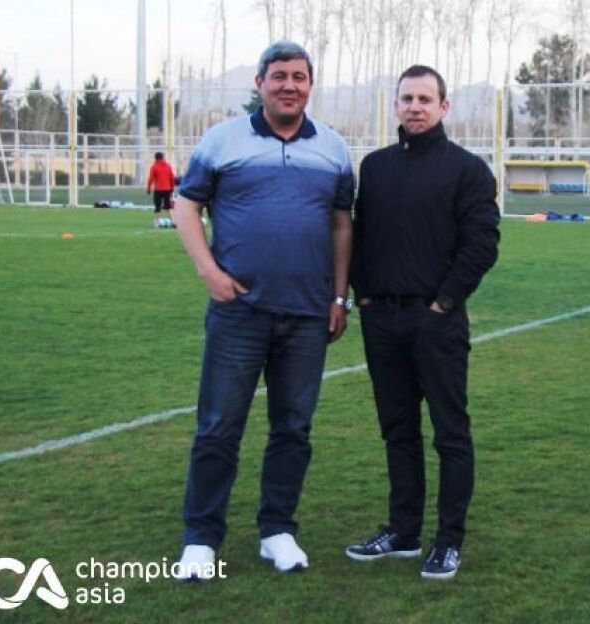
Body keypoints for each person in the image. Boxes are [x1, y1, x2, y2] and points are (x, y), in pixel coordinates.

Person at [171, 40, 355, 580]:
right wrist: (209, 272)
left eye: (299, 77)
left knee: (293, 428)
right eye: (279, 76)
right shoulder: (222, 139)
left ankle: (278, 530)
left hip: (307, 315)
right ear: (260, 84)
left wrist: (338, 296)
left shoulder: (334, 148)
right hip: (240, 313)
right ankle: (201, 538)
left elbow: (341, 224)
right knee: (218, 427)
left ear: (310, 85)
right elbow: (186, 204)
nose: (289, 86)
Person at [345, 65, 500, 580]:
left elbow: (482, 244)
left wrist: (444, 303)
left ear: (443, 107)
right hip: (381, 320)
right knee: (398, 431)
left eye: (425, 99)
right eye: (407, 98)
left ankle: (448, 540)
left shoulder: (467, 170)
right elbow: (361, 235)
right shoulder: (376, 167)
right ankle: (403, 532)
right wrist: (364, 294)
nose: (415, 107)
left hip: (436, 323)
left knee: (450, 433)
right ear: (395, 105)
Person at [146, 152, 177, 228]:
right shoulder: (168, 166)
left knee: (158, 206)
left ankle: (157, 223)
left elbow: (151, 178)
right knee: (168, 206)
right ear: (163, 157)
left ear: (155, 158)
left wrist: (149, 188)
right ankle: (173, 221)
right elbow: (172, 177)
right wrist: (172, 188)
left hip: (158, 189)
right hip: (167, 189)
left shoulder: (154, 166)